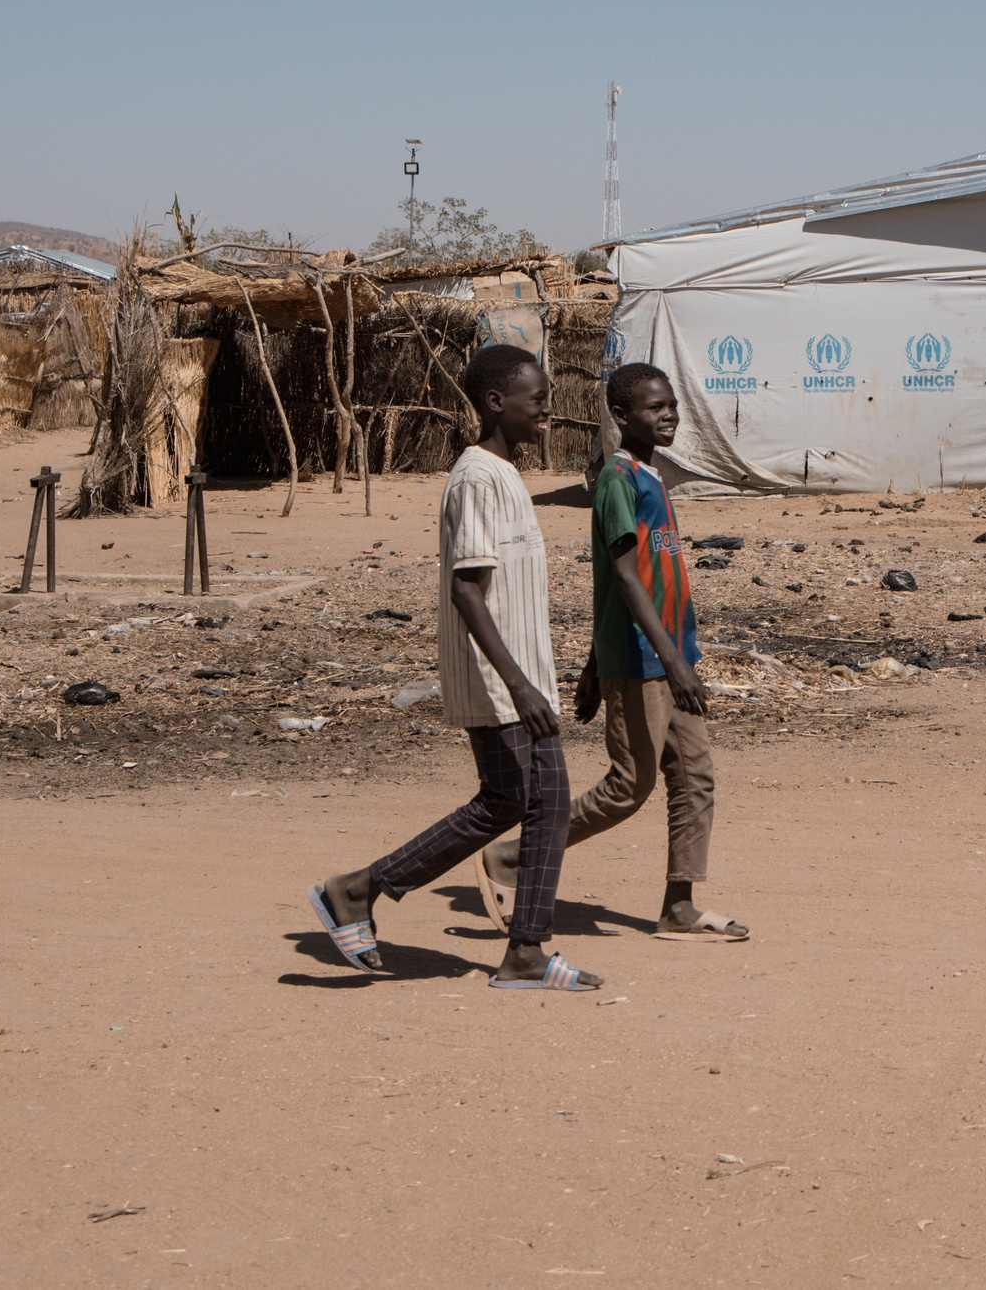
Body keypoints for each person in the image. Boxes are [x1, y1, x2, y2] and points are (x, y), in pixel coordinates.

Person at [309, 344, 600, 992]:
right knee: (508, 799)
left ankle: (525, 950)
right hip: (499, 681)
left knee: (546, 804)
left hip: (526, 678)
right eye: (537, 395)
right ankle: (357, 889)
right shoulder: (474, 477)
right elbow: (468, 590)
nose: (549, 403)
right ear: (497, 402)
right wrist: (519, 684)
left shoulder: (506, 472)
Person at [478, 361, 749, 943]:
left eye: (671, 404)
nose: (668, 414)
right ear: (622, 417)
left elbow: (630, 578)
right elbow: (623, 578)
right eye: (655, 408)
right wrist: (650, 663)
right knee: (629, 785)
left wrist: (674, 659)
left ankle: (679, 905)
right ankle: (513, 857)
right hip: (646, 663)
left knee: (695, 777)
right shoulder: (618, 481)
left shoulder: (652, 477)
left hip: (674, 658)